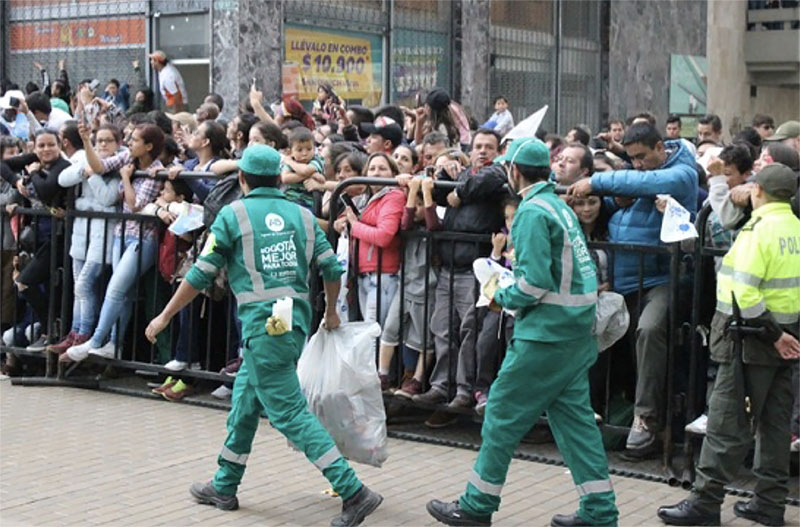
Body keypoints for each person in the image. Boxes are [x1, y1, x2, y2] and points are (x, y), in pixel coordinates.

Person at [143, 144, 382, 526]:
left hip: (263, 327)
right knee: (244, 403)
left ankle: (353, 491)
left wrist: (164, 316)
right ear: (279, 179)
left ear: (242, 178)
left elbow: (201, 273)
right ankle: (224, 484)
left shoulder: (233, 214)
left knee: (289, 413)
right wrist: (332, 312)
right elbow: (331, 268)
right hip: (292, 323)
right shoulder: (302, 215)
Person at [426, 137, 618, 527]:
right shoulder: (558, 207)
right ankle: (600, 511)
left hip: (545, 335)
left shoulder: (531, 212)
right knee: (576, 425)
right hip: (574, 332)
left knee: (500, 412)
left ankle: (477, 505)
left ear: (513, 171)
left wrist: (500, 295)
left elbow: (534, 284)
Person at [657, 163, 800, 527]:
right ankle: (769, 503)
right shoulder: (795, 228)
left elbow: (744, 294)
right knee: (775, 426)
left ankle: (705, 503)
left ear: (758, 191)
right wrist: (785, 335)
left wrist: (774, 335)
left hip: (751, 340)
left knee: (726, 423)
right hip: (786, 339)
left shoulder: (758, 230)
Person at [567, 122, 698, 458]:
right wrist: (608, 198)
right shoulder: (631, 181)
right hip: (620, 282)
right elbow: (614, 203)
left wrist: (596, 181)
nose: (637, 165)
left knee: (649, 329)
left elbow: (648, 182)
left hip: (660, 280)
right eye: (631, 159)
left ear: (660, 147)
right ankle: (587, 412)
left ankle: (646, 419)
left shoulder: (682, 173)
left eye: (641, 157)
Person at [63, 124, 165, 362]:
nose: (130, 143)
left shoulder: (156, 170)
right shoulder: (128, 157)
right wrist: (86, 141)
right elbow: (99, 166)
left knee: (115, 289)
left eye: (135, 140)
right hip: (121, 232)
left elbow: (135, 204)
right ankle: (114, 343)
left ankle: (95, 340)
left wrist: (126, 178)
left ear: (148, 146)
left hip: (142, 237)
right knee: (123, 293)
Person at [47, 124, 121, 355]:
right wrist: (86, 168)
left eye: (108, 140)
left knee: (84, 284)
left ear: (118, 143)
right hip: (82, 230)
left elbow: (108, 197)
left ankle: (85, 333)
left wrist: (93, 174)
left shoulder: (119, 163)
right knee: (78, 284)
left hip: (104, 230)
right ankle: (75, 331)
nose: (103, 144)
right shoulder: (87, 158)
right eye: (99, 140)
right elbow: (63, 178)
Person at [340, 152, 405, 326]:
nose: (376, 173)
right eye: (372, 168)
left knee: (373, 333)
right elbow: (346, 220)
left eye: (382, 168)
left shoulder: (394, 196)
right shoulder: (365, 199)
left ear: (393, 173)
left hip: (382, 276)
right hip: (363, 275)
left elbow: (384, 236)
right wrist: (342, 223)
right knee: (369, 332)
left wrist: (355, 226)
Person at [280, 126, 325, 209]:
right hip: (289, 199)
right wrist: (312, 174)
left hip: (308, 202)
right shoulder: (292, 160)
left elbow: (306, 170)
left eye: (309, 149)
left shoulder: (317, 160)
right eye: (299, 150)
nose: (304, 153)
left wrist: (290, 162)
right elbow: (285, 178)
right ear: (291, 151)